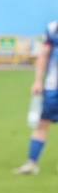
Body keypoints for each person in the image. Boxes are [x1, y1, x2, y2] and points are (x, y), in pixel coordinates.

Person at [15, 18, 58, 175]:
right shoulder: (53, 28)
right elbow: (43, 56)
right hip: (53, 86)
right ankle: (32, 163)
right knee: (42, 123)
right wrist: (38, 81)